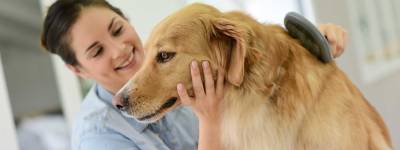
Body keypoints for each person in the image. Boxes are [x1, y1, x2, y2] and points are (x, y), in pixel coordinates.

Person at [40, 0, 348, 150]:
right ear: (77, 70)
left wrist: (310, 44)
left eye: (118, 29)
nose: (120, 50)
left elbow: (264, 60)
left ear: (128, 21)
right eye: (96, 51)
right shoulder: (98, 138)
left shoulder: (188, 64)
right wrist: (210, 120)